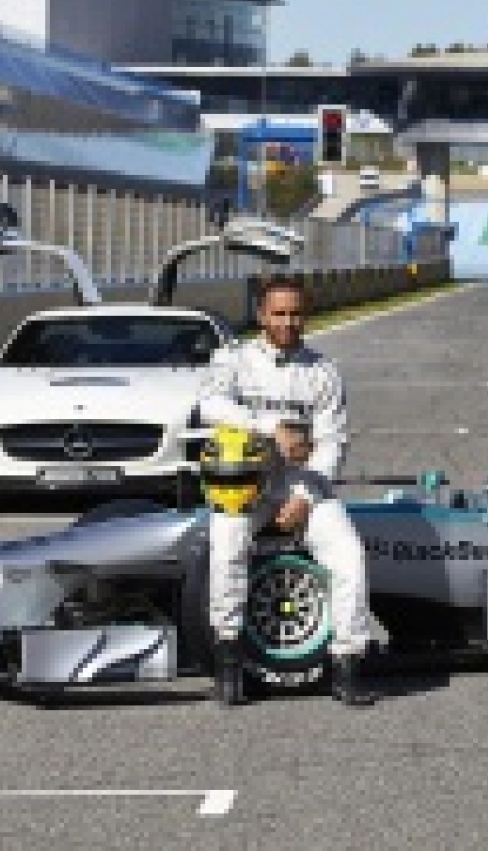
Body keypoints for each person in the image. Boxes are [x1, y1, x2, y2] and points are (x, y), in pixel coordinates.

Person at [197, 275, 375, 707]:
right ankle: (229, 659)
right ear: (261, 315)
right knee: (226, 548)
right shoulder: (232, 360)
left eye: (296, 313)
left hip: (303, 483)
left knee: (350, 555)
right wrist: (271, 428)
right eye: (279, 313)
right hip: (245, 481)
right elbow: (209, 406)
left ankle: (347, 663)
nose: (288, 321)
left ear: (305, 316)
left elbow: (333, 442)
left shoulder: (323, 372)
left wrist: (304, 499)